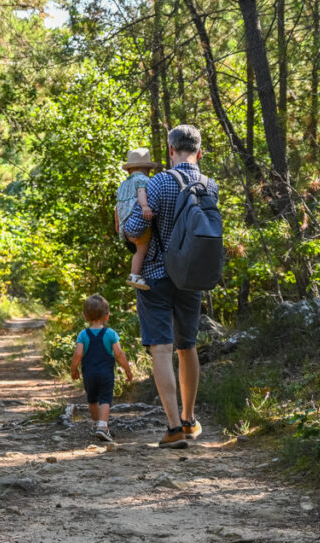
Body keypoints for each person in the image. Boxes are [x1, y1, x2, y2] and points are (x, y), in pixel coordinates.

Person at [122, 125, 218, 449]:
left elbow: (135, 228)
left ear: (171, 151)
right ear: (199, 153)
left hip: (155, 276)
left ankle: (174, 427)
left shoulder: (158, 182)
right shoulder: (209, 185)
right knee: (187, 346)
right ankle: (190, 420)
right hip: (192, 277)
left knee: (161, 350)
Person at [69, 294, 133, 443]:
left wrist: (73, 369)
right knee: (105, 399)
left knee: (92, 400)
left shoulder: (83, 334)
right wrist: (127, 370)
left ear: (85, 316)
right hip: (106, 374)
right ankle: (103, 427)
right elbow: (119, 354)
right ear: (107, 316)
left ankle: (98, 424)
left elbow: (78, 354)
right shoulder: (111, 334)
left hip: (89, 374)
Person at [115, 148, 161, 290]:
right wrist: (145, 206)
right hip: (136, 224)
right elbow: (141, 192)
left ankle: (136, 273)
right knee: (142, 249)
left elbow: (117, 207)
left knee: (137, 249)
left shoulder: (122, 185)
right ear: (147, 169)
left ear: (129, 170)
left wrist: (118, 223)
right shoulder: (143, 180)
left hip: (125, 225)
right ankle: (134, 275)